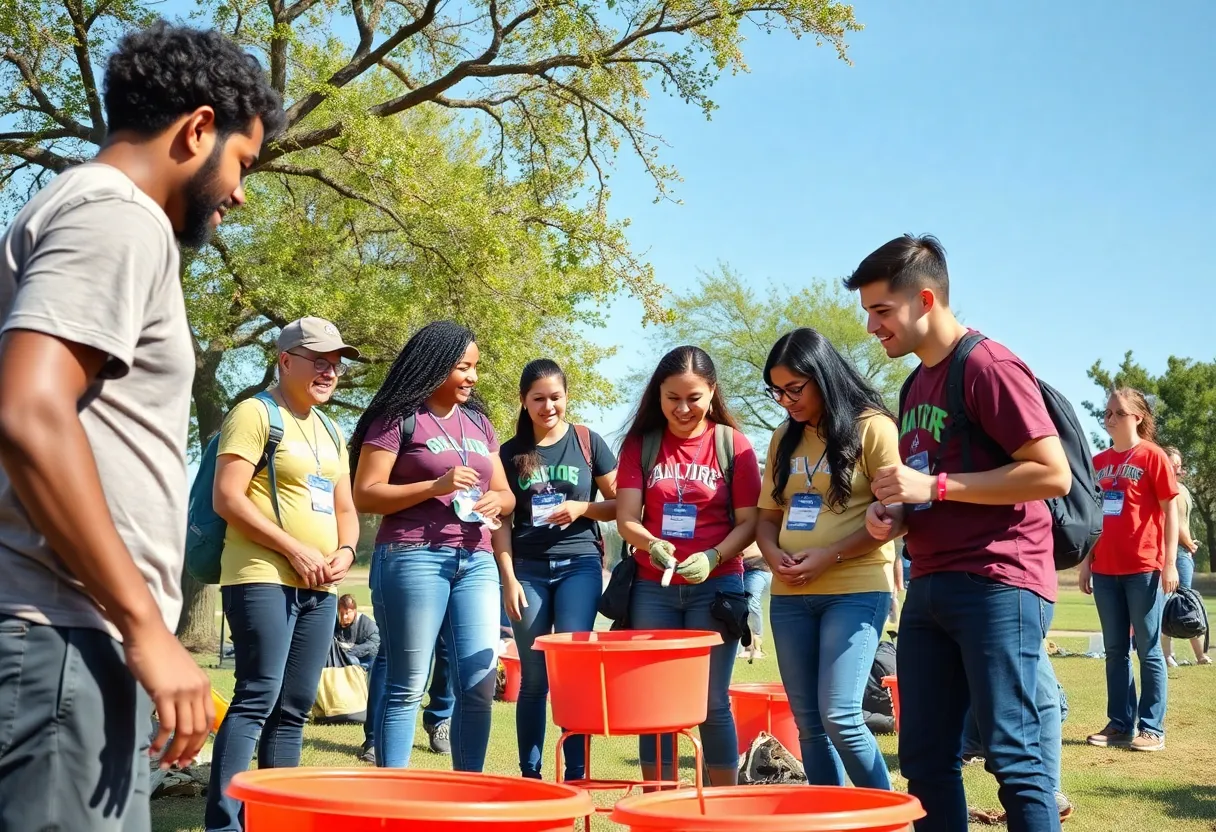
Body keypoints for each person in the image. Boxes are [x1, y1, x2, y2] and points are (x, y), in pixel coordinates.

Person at [0, 22, 281, 831]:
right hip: (63, 638)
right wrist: (147, 630)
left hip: (68, 641)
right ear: (197, 130)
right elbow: (30, 410)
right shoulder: (118, 216)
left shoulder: (70, 207)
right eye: (242, 163)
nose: (239, 192)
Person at [847, 234, 1071, 832]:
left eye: (881, 310)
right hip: (931, 585)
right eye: (867, 311)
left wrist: (936, 489)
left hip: (1000, 582)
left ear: (925, 300)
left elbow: (1052, 473)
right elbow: (923, 486)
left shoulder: (988, 365)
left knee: (1015, 758)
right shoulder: (914, 383)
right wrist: (892, 515)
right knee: (923, 758)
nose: (872, 326)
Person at [206, 317, 360, 831]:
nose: (330, 370)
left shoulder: (332, 428)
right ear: (285, 359)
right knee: (258, 695)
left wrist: (345, 549)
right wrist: (293, 548)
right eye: (320, 360)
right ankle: (225, 824)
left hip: (321, 584)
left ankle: (276, 820)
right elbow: (226, 497)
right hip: (260, 575)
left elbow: (346, 509)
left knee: (294, 706)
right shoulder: (255, 413)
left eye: (336, 363)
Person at [350, 321, 514, 771]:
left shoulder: (480, 421)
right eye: (463, 367)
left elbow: (506, 494)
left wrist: (494, 499)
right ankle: (394, 801)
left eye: (474, 367)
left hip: (476, 558)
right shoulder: (397, 417)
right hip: (412, 554)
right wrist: (433, 485)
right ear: (435, 364)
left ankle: (469, 796)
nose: (472, 377)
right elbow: (364, 493)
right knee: (407, 683)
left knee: (479, 683)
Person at [755, 327, 898, 791]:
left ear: (824, 377)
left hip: (855, 587)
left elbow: (894, 516)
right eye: (777, 391)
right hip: (791, 593)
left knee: (840, 715)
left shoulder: (872, 428)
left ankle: (887, 817)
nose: (785, 401)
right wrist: (773, 554)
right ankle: (830, 815)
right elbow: (766, 516)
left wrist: (829, 555)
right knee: (809, 724)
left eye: (794, 389)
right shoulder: (784, 438)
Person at [616, 345, 761, 787]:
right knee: (654, 700)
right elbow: (626, 519)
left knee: (712, 700)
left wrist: (715, 555)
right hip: (651, 588)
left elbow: (750, 522)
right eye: (672, 397)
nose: (682, 408)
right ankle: (657, 802)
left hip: (717, 590)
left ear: (712, 393)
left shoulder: (732, 444)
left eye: (693, 397)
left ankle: (721, 807)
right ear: (657, 395)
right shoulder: (641, 445)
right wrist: (652, 543)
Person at [495, 359, 619, 780]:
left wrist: (583, 507)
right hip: (527, 570)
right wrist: (508, 578)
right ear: (524, 402)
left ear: (566, 396)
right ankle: (530, 775)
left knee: (574, 672)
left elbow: (624, 503)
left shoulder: (588, 441)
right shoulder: (510, 453)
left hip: (580, 565)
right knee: (533, 678)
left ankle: (576, 773)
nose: (548, 406)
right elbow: (502, 522)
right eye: (538, 399)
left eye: (556, 397)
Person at [1079, 388, 1178, 752]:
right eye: (1107, 413)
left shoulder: (1152, 456)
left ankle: (1152, 728)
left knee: (1149, 648)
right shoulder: (1098, 460)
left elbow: (1170, 511)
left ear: (1137, 416)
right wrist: (1086, 563)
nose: (1110, 419)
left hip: (1144, 568)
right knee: (1115, 650)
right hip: (1105, 569)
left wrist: (1168, 562)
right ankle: (1120, 723)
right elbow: (1091, 517)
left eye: (1118, 412)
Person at [1161, 446, 1210, 666]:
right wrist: (1189, 543)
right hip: (1176, 552)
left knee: (1185, 602)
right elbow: (1174, 521)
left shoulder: (1182, 488)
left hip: (1184, 552)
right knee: (1173, 603)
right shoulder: (1167, 487)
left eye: (1179, 464)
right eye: (1174, 463)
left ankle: (1199, 655)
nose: (1178, 467)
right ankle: (1168, 655)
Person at [740, 544, 771, 659]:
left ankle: (757, 644)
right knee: (741, 606)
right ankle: (748, 645)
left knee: (752, 602)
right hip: (740, 570)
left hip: (758, 569)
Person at [337, 594, 380, 670]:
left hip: (363, 661)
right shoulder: (333, 622)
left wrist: (350, 653)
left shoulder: (367, 624)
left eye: (347, 613)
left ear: (354, 611)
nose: (344, 617)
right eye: (341, 613)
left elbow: (374, 643)